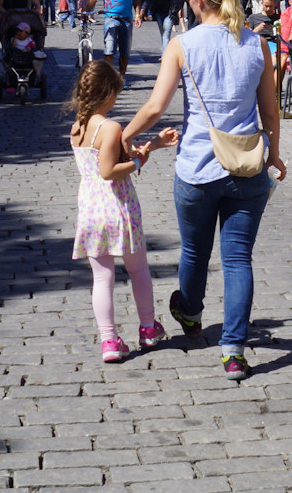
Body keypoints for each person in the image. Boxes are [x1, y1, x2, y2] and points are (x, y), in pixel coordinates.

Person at [122, 0, 284, 382]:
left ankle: (190, 314)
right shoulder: (256, 43)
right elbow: (270, 111)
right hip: (248, 164)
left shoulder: (183, 44)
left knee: (195, 251)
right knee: (237, 259)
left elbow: (156, 106)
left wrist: (127, 134)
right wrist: (276, 154)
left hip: (197, 165)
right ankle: (233, 349)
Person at [66, 60, 175, 364]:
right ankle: (148, 327)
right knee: (138, 268)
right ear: (107, 93)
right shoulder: (110, 126)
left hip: (90, 207)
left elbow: (110, 158)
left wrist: (151, 146)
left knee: (102, 278)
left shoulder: (78, 127)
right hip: (117, 205)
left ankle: (109, 339)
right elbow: (110, 170)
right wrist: (139, 163)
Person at [94, 0, 142, 78]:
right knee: (109, 50)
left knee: (125, 52)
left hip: (126, 18)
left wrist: (138, 14)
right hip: (111, 17)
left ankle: (122, 77)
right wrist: (86, 12)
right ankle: (108, 78)